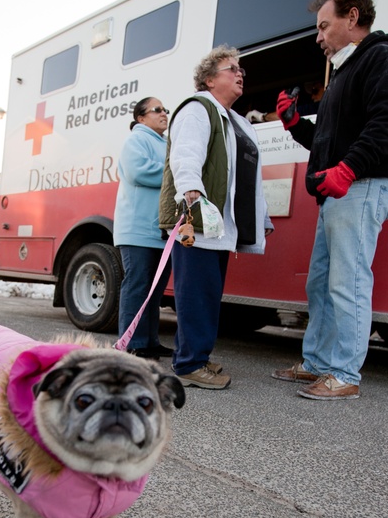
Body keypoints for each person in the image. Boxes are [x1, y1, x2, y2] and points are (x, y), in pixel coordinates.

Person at [271, 0, 388, 400]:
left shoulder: (382, 58)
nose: (318, 37)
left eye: (323, 25)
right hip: (339, 191)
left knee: (347, 283)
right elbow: (327, 140)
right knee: (321, 284)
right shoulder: (344, 72)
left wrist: (350, 168)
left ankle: (345, 373)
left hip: (362, 186)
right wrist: (296, 124)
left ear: (352, 17)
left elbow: (387, 125)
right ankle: (317, 363)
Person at [158, 46, 273, 390]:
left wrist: (261, 216)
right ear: (209, 79)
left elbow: (246, 177)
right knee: (196, 293)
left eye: (242, 70)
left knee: (207, 293)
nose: (240, 74)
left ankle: (198, 355)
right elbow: (186, 154)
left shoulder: (235, 120)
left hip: (218, 222)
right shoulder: (198, 109)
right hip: (198, 217)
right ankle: (190, 364)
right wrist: (191, 190)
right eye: (231, 69)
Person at [113, 97, 173, 359]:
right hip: (138, 231)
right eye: (157, 110)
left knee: (154, 291)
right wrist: (178, 172)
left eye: (165, 110)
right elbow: (139, 171)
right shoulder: (136, 139)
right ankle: (132, 343)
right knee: (137, 286)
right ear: (141, 118)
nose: (164, 113)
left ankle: (149, 341)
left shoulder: (165, 143)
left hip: (161, 231)